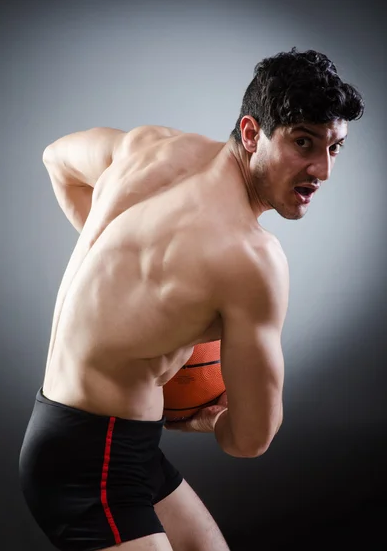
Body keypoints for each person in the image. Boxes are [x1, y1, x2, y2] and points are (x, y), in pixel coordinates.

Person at [19, 48, 364, 551]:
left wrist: (127, 267)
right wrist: (212, 419)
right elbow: (251, 439)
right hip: (90, 462)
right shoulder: (252, 258)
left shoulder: (150, 147)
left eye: (335, 148)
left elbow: (57, 158)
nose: (322, 170)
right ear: (251, 133)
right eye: (303, 142)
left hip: (102, 441)